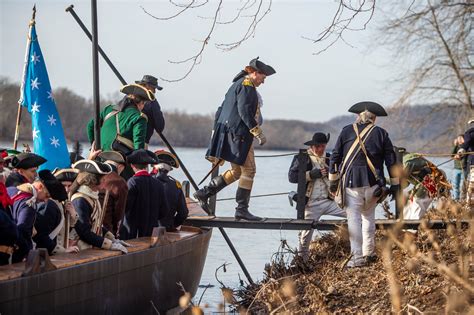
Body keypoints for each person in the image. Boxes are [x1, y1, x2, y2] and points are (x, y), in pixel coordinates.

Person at [194, 57, 276, 221]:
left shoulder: (236, 85)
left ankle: (203, 193)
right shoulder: (247, 86)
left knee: (238, 171)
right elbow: (244, 111)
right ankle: (242, 210)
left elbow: (220, 110)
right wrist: (257, 131)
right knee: (250, 170)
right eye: (263, 77)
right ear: (254, 73)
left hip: (230, 133)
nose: (263, 81)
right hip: (239, 135)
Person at [328, 101, 398, 268]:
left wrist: (332, 182)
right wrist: (394, 185)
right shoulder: (382, 133)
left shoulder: (346, 131)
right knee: (369, 218)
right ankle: (369, 252)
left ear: (359, 117)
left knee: (354, 221)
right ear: (373, 119)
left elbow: (335, 158)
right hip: (374, 184)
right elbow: (391, 161)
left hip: (352, 183)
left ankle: (357, 258)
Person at [288, 132, 346, 260]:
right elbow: (291, 177)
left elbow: (341, 175)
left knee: (353, 214)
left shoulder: (330, 158)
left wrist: (332, 175)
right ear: (312, 146)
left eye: (323, 146)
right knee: (305, 236)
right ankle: (302, 262)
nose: (320, 149)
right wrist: (311, 174)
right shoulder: (302, 157)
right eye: (318, 146)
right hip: (311, 203)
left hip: (330, 200)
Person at [7, 170, 67, 262]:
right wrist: (28, 253)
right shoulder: (29, 204)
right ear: (39, 187)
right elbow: (23, 230)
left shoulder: (11, 190)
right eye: (46, 195)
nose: (45, 201)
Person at [70, 160, 129, 253]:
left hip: (89, 248)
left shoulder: (92, 196)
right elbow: (84, 232)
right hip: (79, 250)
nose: (105, 182)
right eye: (103, 179)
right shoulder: (80, 200)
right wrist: (108, 244)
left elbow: (96, 224)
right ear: (93, 180)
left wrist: (113, 239)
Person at [87, 84, 155, 153]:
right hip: (120, 155)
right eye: (144, 104)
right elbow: (139, 149)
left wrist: (94, 147)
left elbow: (90, 126)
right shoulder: (139, 118)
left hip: (100, 153)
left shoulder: (108, 109)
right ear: (141, 103)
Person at [119, 149, 169, 239]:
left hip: (132, 235)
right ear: (146, 165)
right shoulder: (158, 184)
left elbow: (124, 208)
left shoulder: (132, 182)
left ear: (132, 165)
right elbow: (164, 211)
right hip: (151, 234)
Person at [400, 149, 450, 232]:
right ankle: (405, 231)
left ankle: (411, 232)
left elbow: (400, 180)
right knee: (409, 205)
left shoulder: (407, 162)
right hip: (426, 184)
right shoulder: (406, 161)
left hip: (431, 184)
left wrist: (383, 180)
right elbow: (404, 183)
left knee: (417, 204)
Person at [153, 150, 189, 231]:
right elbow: (183, 213)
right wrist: (172, 224)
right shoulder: (176, 186)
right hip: (167, 230)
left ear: (155, 166)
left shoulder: (146, 182)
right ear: (169, 169)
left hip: (144, 232)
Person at [97, 151, 128, 236]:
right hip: (107, 230)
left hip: (89, 228)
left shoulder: (95, 176)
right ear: (120, 167)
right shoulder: (119, 181)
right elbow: (119, 213)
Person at [135, 75, 166, 146]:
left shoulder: (128, 96)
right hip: (140, 144)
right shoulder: (152, 103)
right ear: (147, 86)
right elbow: (160, 127)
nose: (155, 91)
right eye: (154, 88)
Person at [457, 118, 474, 204]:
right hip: (472, 164)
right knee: (471, 185)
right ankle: (468, 205)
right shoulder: (470, 134)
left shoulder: (469, 133)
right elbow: (465, 145)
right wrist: (460, 153)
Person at [451, 135, 465, 200]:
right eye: (458, 138)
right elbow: (451, 155)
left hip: (464, 168)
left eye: (460, 138)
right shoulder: (457, 147)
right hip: (456, 169)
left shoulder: (465, 147)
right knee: (455, 185)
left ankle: (463, 199)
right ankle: (456, 199)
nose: (459, 140)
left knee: (463, 185)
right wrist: (455, 145)